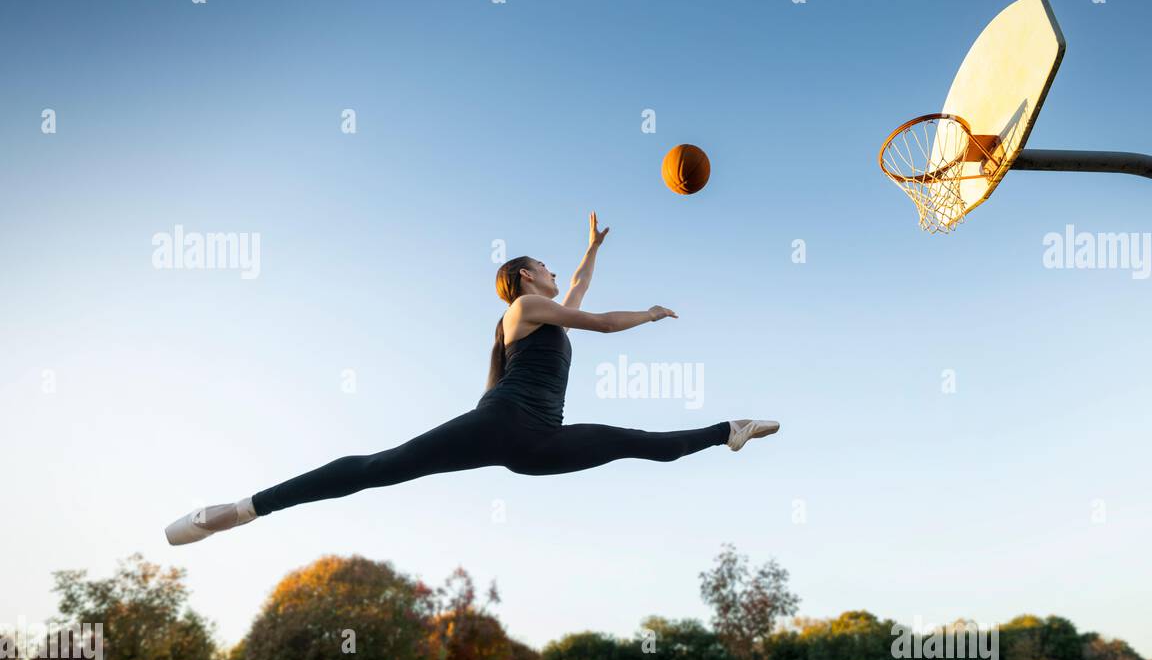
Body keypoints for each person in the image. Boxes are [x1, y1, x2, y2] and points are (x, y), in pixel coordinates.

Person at [165, 213, 779, 545]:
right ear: (522, 279)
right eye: (544, 265)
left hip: (537, 443)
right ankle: (241, 510)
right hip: (503, 424)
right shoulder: (521, 312)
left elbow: (582, 292)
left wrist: (591, 248)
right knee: (377, 468)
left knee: (648, 446)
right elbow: (596, 318)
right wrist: (645, 315)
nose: (553, 270)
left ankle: (730, 429)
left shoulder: (542, 313)